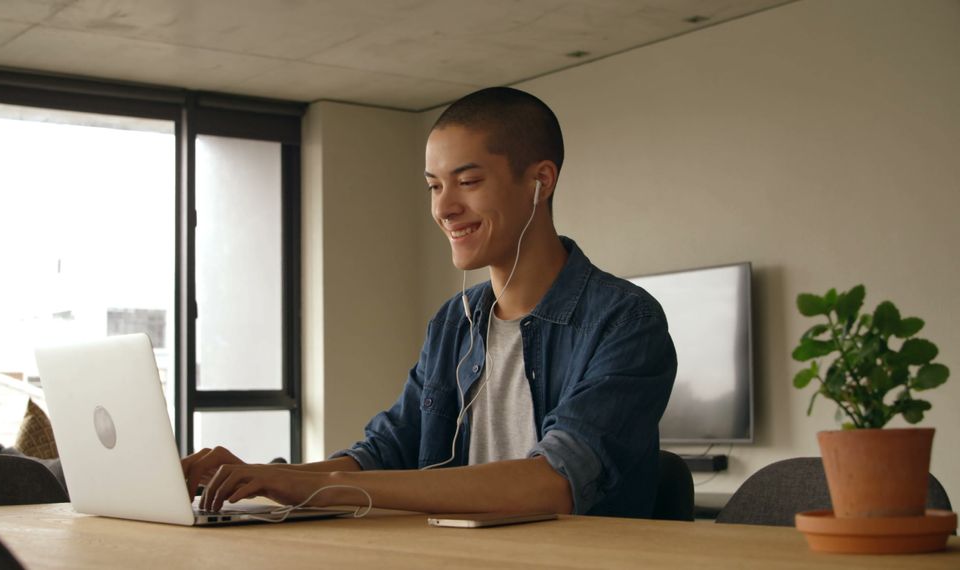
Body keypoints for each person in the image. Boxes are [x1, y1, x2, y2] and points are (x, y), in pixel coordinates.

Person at [183, 87, 677, 518]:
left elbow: (555, 483)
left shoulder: (625, 321)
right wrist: (263, 477)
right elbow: (386, 451)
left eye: (468, 181)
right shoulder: (454, 323)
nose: (443, 208)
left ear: (540, 181)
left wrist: (319, 487)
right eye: (434, 187)